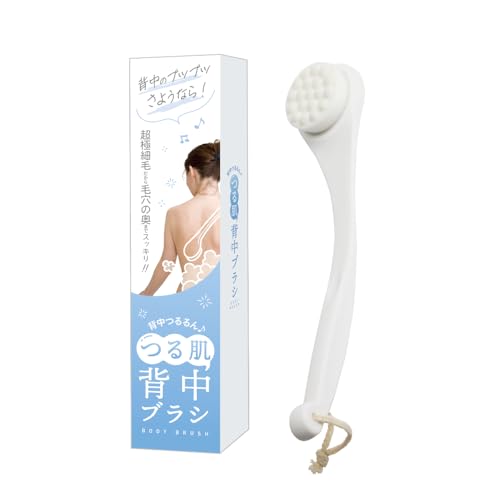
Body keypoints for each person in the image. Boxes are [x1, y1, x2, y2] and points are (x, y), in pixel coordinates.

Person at [140, 140, 221, 295]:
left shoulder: (175, 214)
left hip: (186, 296)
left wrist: (147, 293)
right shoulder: (233, 210)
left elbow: (167, 262)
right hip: (220, 296)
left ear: (191, 171)